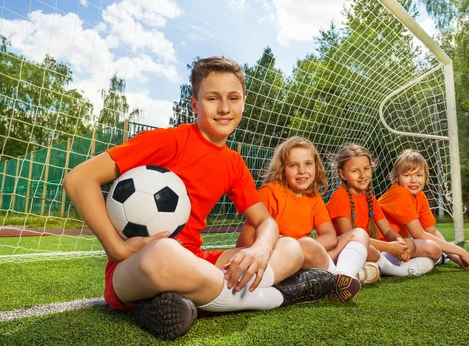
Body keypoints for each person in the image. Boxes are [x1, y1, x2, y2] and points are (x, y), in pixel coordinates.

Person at [62, 57, 334, 341]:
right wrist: (118, 249)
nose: (225, 108)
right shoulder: (168, 141)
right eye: (213, 98)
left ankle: (184, 302)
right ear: (195, 105)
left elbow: (265, 221)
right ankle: (274, 296)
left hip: (197, 262)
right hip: (136, 269)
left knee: (290, 247)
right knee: (163, 254)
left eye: (233, 98)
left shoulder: (233, 163)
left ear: (243, 103)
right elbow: (79, 179)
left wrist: (261, 250)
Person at [237, 136, 370, 303]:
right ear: (282, 168)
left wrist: (304, 248)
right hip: (279, 259)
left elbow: (329, 237)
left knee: (359, 234)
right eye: (294, 165)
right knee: (307, 244)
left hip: (309, 257)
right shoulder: (270, 193)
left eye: (308, 164)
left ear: (316, 166)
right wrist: (288, 247)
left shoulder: (313, 197)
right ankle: (337, 278)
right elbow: (244, 241)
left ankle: (342, 275)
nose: (302, 171)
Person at [327, 144, 435, 279]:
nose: (362, 175)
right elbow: (349, 238)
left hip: (374, 250)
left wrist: (399, 242)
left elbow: (387, 231)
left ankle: (373, 269)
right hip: (348, 252)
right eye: (355, 171)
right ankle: (396, 271)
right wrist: (389, 248)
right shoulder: (340, 197)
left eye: (366, 169)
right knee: (370, 250)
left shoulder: (370, 198)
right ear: (342, 174)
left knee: (418, 245)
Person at [378, 149, 469, 270]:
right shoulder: (399, 193)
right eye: (407, 175)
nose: (413, 180)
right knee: (432, 248)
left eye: (419, 175)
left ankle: (395, 266)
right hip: (380, 245)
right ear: (397, 177)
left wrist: (454, 256)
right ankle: (386, 266)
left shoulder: (420, 196)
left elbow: (431, 231)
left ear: (426, 176)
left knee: (433, 248)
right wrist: (461, 251)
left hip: (398, 244)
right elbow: (418, 233)